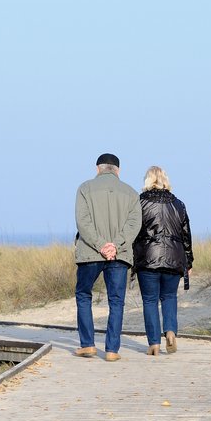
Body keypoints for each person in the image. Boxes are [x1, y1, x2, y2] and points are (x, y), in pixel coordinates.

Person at [74, 153, 142, 361]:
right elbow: (134, 225)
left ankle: (88, 344)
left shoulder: (84, 188)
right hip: (119, 255)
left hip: (90, 253)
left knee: (84, 294)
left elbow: (82, 222)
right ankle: (112, 350)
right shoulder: (131, 193)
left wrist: (100, 245)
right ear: (118, 170)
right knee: (116, 301)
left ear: (98, 168)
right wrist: (115, 245)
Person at [133, 166, 193, 355]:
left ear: (148, 181)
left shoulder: (139, 202)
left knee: (150, 300)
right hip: (174, 258)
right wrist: (188, 261)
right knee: (169, 297)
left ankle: (154, 344)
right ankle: (170, 332)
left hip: (147, 258)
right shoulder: (179, 204)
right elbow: (186, 235)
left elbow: (133, 231)